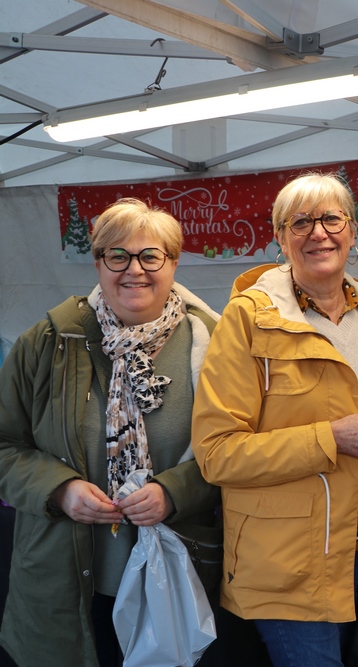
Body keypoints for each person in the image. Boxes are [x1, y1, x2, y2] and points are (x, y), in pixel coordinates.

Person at [191, 172, 358, 667]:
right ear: (280, 237)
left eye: (331, 219)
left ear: (352, 230)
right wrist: (332, 437)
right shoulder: (247, 318)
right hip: (290, 564)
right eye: (300, 222)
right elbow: (218, 454)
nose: (318, 233)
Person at [0, 198, 224, 666]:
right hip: (68, 581)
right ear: (98, 263)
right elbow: (4, 445)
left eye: (151, 256)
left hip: (179, 579)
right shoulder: (48, 342)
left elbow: (239, 452)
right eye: (117, 255)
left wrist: (175, 492)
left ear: (174, 262)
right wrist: (59, 489)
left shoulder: (215, 345)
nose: (134, 270)